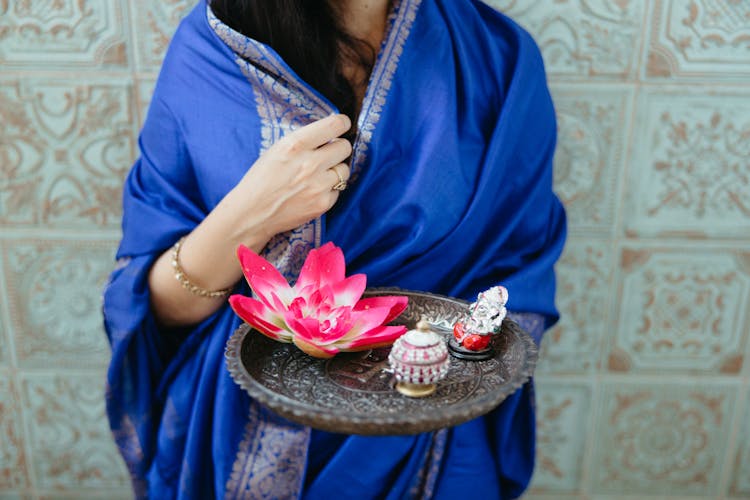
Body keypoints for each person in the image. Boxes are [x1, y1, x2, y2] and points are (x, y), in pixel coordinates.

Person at [103, 0, 567, 498]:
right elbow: (157, 306)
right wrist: (250, 214)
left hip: (428, 429)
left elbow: (520, 278)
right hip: (238, 426)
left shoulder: (496, 60)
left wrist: (423, 368)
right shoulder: (209, 50)